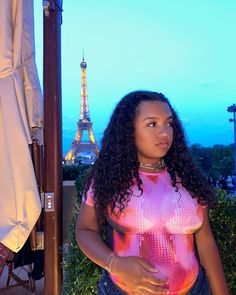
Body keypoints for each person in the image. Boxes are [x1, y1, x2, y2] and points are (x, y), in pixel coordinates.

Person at [76, 90, 229, 295]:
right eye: (152, 124)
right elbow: (85, 230)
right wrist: (115, 264)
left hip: (195, 289)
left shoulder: (189, 180)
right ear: (129, 130)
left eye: (169, 123)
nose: (164, 132)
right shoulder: (109, 179)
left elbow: (205, 242)